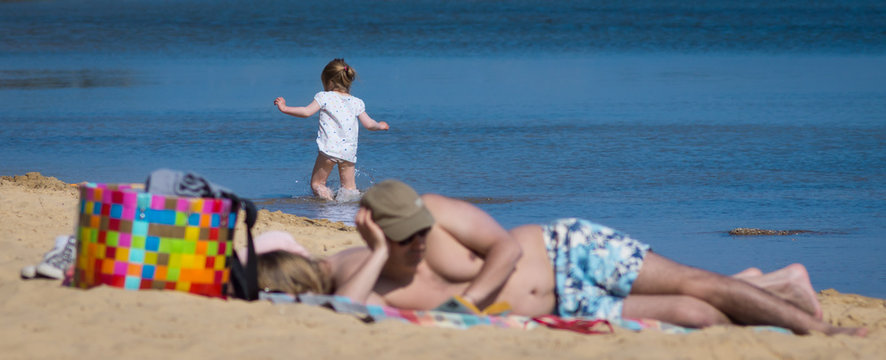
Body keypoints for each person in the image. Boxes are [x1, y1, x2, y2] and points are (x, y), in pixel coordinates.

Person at [258, 180, 866, 336]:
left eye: (421, 229)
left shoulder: (437, 210)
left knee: (699, 282)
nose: (420, 239)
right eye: (406, 236)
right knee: (698, 314)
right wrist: (376, 251)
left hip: (566, 253)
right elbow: (341, 310)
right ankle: (778, 282)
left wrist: (470, 303)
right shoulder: (352, 268)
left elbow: (503, 247)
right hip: (564, 304)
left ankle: (819, 328)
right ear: (378, 233)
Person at [274, 58, 390, 201]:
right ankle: (349, 212)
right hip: (348, 151)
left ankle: (329, 204)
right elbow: (369, 124)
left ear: (328, 81)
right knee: (349, 189)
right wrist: (380, 125)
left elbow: (306, 112)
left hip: (329, 149)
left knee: (317, 184)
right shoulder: (357, 102)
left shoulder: (324, 97)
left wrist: (284, 108)